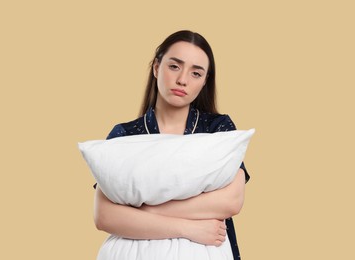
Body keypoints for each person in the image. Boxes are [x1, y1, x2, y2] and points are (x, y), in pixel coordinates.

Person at [94, 30, 250, 260]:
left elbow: (231, 201)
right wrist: (188, 228)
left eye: (196, 73)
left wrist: (144, 212)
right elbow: (104, 216)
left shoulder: (218, 128)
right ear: (156, 67)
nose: (183, 80)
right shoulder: (124, 135)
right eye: (174, 66)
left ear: (204, 81)